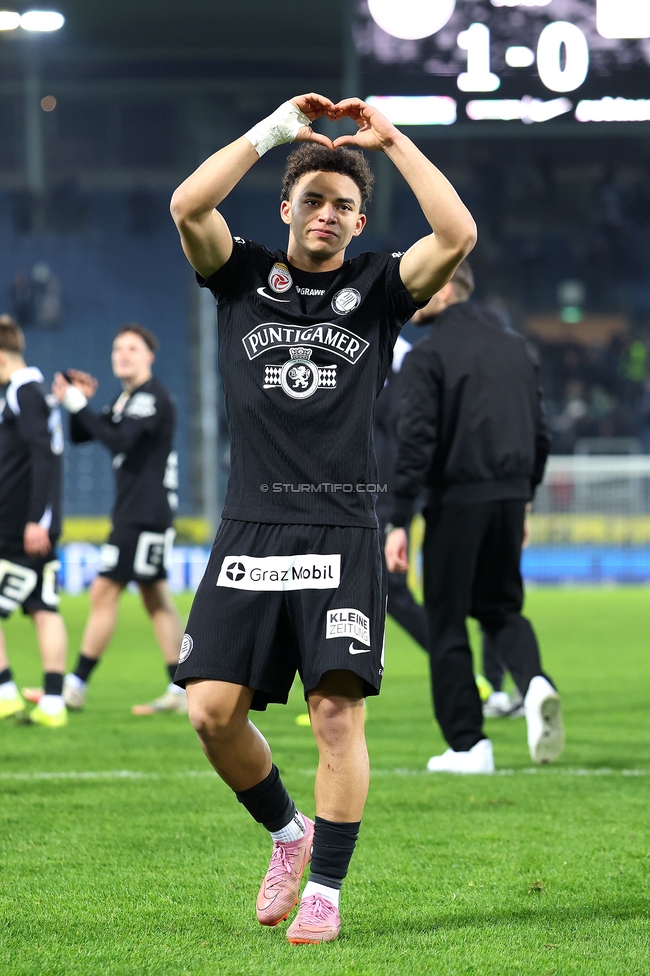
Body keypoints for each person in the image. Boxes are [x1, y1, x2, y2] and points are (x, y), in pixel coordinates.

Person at [169, 92, 476, 943]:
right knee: (210, 713)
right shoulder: (242, 276)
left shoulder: (378, 287)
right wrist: (272, 132)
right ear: (286, 208)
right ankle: (286, 832)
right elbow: (188, 205)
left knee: (335, 716)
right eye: (313, 200)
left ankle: (326, 893)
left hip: (341, 529)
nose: (328, 214)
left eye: (344, 204)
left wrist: (393, 141)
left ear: (358, 221)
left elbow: (456, 235)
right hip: (250, 527)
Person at [385, 265, 563, 773]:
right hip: (509, 497)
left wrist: (399, 519)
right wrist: (524, 499)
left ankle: (469, 746)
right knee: (501, 608)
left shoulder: (429, 355)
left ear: (444, 288)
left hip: (456, 502)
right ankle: (535, 683)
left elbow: (415, 442)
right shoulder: (516, 349)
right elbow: (540, 433)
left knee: (446, 622)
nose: (413, 295)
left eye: (421, 284)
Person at [50, 324, 185, 715]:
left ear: (149, 357)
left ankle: (74, 685)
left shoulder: (151, 397)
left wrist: (78, 404)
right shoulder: (128, 399)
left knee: (104, 591)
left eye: (132, 348)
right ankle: (180, 689)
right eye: (117, 348)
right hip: (144, 512)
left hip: (142, 514)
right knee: (155, 598)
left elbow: (119, 441)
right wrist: (78, 406)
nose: (122, 354)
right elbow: (85, 435)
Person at [0, 315, 69, 727]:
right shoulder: (34, 390)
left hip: (20, 525)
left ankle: (6, 693)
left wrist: (37, 520)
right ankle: (53, 703)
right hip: (31, 522)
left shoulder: (23, 392)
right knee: (44, 607)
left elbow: (44, 456)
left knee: (43, 609)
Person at [374, 335, 427, 650]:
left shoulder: (413, 367)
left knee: (391, 587)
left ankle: (449, 658)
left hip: (391, 495)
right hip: (364, 493)